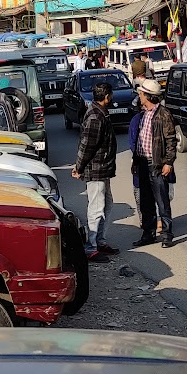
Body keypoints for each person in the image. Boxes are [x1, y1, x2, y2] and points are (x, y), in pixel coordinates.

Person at [71, 82, 119, 260]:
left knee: (107, 205)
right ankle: (91, 248)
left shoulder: (100, 113)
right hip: (96, 170)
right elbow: (86, 146)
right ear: (107, 97)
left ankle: (100, 241)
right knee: (96, 208)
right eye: (111, 95)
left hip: (103, 169)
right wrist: (79, 167)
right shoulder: (95, 117)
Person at [129, 78, 178, 248]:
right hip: (142, 163)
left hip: (157, 164)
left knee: (162, 201)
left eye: (141, 93)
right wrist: (135, 160)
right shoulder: (143, 114)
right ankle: (148, 234)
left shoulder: (163, 114)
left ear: (148, 96)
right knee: (146, 202)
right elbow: (139, 140)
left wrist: (168, 162)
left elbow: (171, 141)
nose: (139, 96)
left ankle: (166, 235)